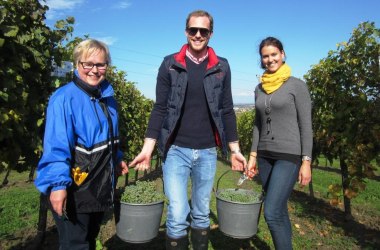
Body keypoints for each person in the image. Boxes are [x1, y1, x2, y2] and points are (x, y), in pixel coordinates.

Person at [129, 10, 246, 250]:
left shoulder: (221, 66)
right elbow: (160, 108)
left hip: (207, 151)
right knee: (178, 212)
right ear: (186, 32)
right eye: (193, 30)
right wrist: (148, 148)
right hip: (176, 150)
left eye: (204, 31)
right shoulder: (170, 64)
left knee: (202, 211)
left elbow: (226, 110)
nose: (198, 35)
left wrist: (234, 149)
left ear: (211, 34)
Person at [34, 39, 128, 250]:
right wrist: (58, 186)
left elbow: (110, 137)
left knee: (89, 240)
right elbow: (56, 146)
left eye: (101, 64)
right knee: (75, 245)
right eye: (88, 64)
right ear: (77, 64)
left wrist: (118, 158)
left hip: (100, 186)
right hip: (75, 188)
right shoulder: (64, 98)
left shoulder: (108, 98)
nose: (94, 70)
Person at [246, 37, 312, 250]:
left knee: (272, 212)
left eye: (274, 54)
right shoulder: (259, 88)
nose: (270, 59)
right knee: (280, 211)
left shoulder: (297, 86)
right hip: (265, 155)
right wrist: (253, 156)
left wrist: (306, 161)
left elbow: (306, 126)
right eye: (265, 56)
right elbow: (257, 124)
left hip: (289, 155)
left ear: (282, 54)